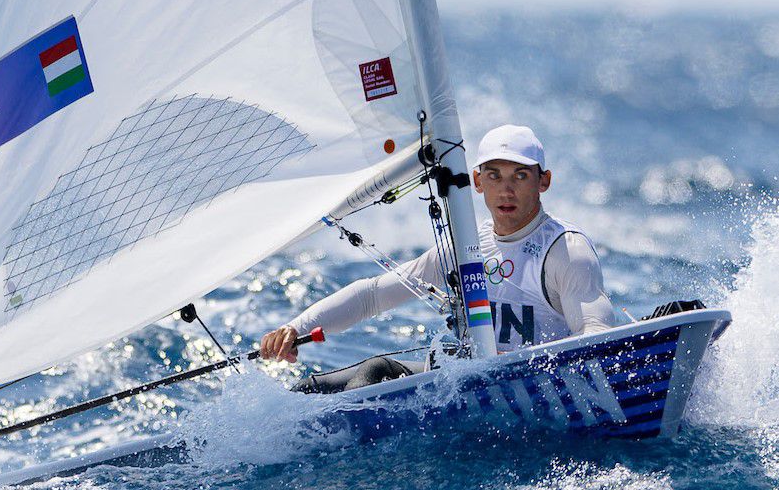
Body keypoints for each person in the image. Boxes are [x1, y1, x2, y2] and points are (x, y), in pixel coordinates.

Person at [260, 124, 615, 391]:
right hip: (470, 385)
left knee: (375, 374)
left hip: (542, 386)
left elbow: (597, 334)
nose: (506, 190)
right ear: (476, 181)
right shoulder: (467, 246)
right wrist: (297, 329)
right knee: (318, 388)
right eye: (494, 176)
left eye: (520, 176)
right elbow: (373, 296)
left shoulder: (567, 250)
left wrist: (521, 365)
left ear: (544, 181)